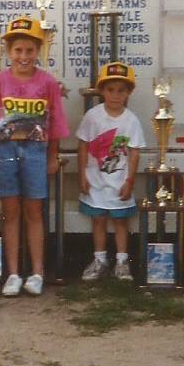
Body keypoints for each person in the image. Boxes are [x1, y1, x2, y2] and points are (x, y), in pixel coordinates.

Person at [0, 17, 69, 296]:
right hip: (5, 150)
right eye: (18, 50)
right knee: (10, 212)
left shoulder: (48, 83)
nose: (24, 56)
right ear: (8, 51)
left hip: (35, 151)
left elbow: (55, 123)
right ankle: (13, 273)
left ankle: (37, 273)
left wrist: (52, 156)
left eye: (30, 50)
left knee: (34, 212)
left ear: (38, 51)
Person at [77, 62, 145, 281]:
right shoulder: (92, 116)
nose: (115, 95)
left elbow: (134, 153)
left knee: (120, 221)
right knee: (98, 219)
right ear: (102, 91)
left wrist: (130, 181)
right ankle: (99, 259)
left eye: (121, 90)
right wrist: (82, 174)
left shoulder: (131, 120)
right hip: (95, 180)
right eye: (110, 89)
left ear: (129, 92)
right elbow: (83, 145)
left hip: (119, 182)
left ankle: (122, 262)